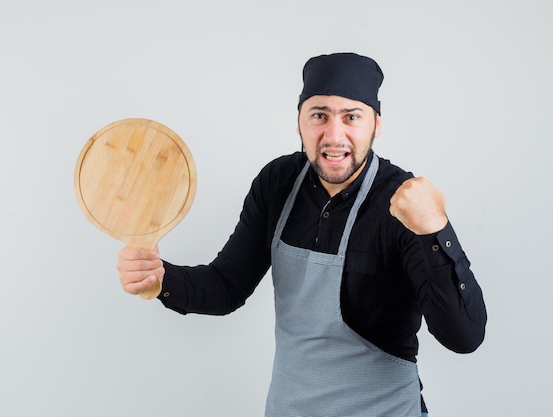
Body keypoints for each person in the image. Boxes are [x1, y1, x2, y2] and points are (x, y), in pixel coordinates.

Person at [117, 52, 487, 417]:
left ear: (376, 124)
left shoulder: (401, 204)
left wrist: (436, 229)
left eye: (351, 116)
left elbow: (464, 337)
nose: (334, 135)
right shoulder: (277, 183)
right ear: (299, 122)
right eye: (319, 115)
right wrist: (160, 277)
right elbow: (226, 287)